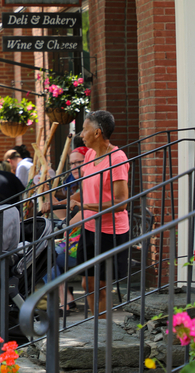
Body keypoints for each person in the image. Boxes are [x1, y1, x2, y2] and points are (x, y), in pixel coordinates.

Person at [67, 110, 130, 319]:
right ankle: (96, 326)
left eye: (85, 129)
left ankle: (102, 334)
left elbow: (121, 202)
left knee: (100, 286)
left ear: (97, 132)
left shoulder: (117, 159)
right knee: (88, 283)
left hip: (110, 231)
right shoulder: (90, 155)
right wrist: (63, 201)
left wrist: (86, 206)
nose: (81, 134)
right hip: (90, 226)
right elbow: (84, 190)